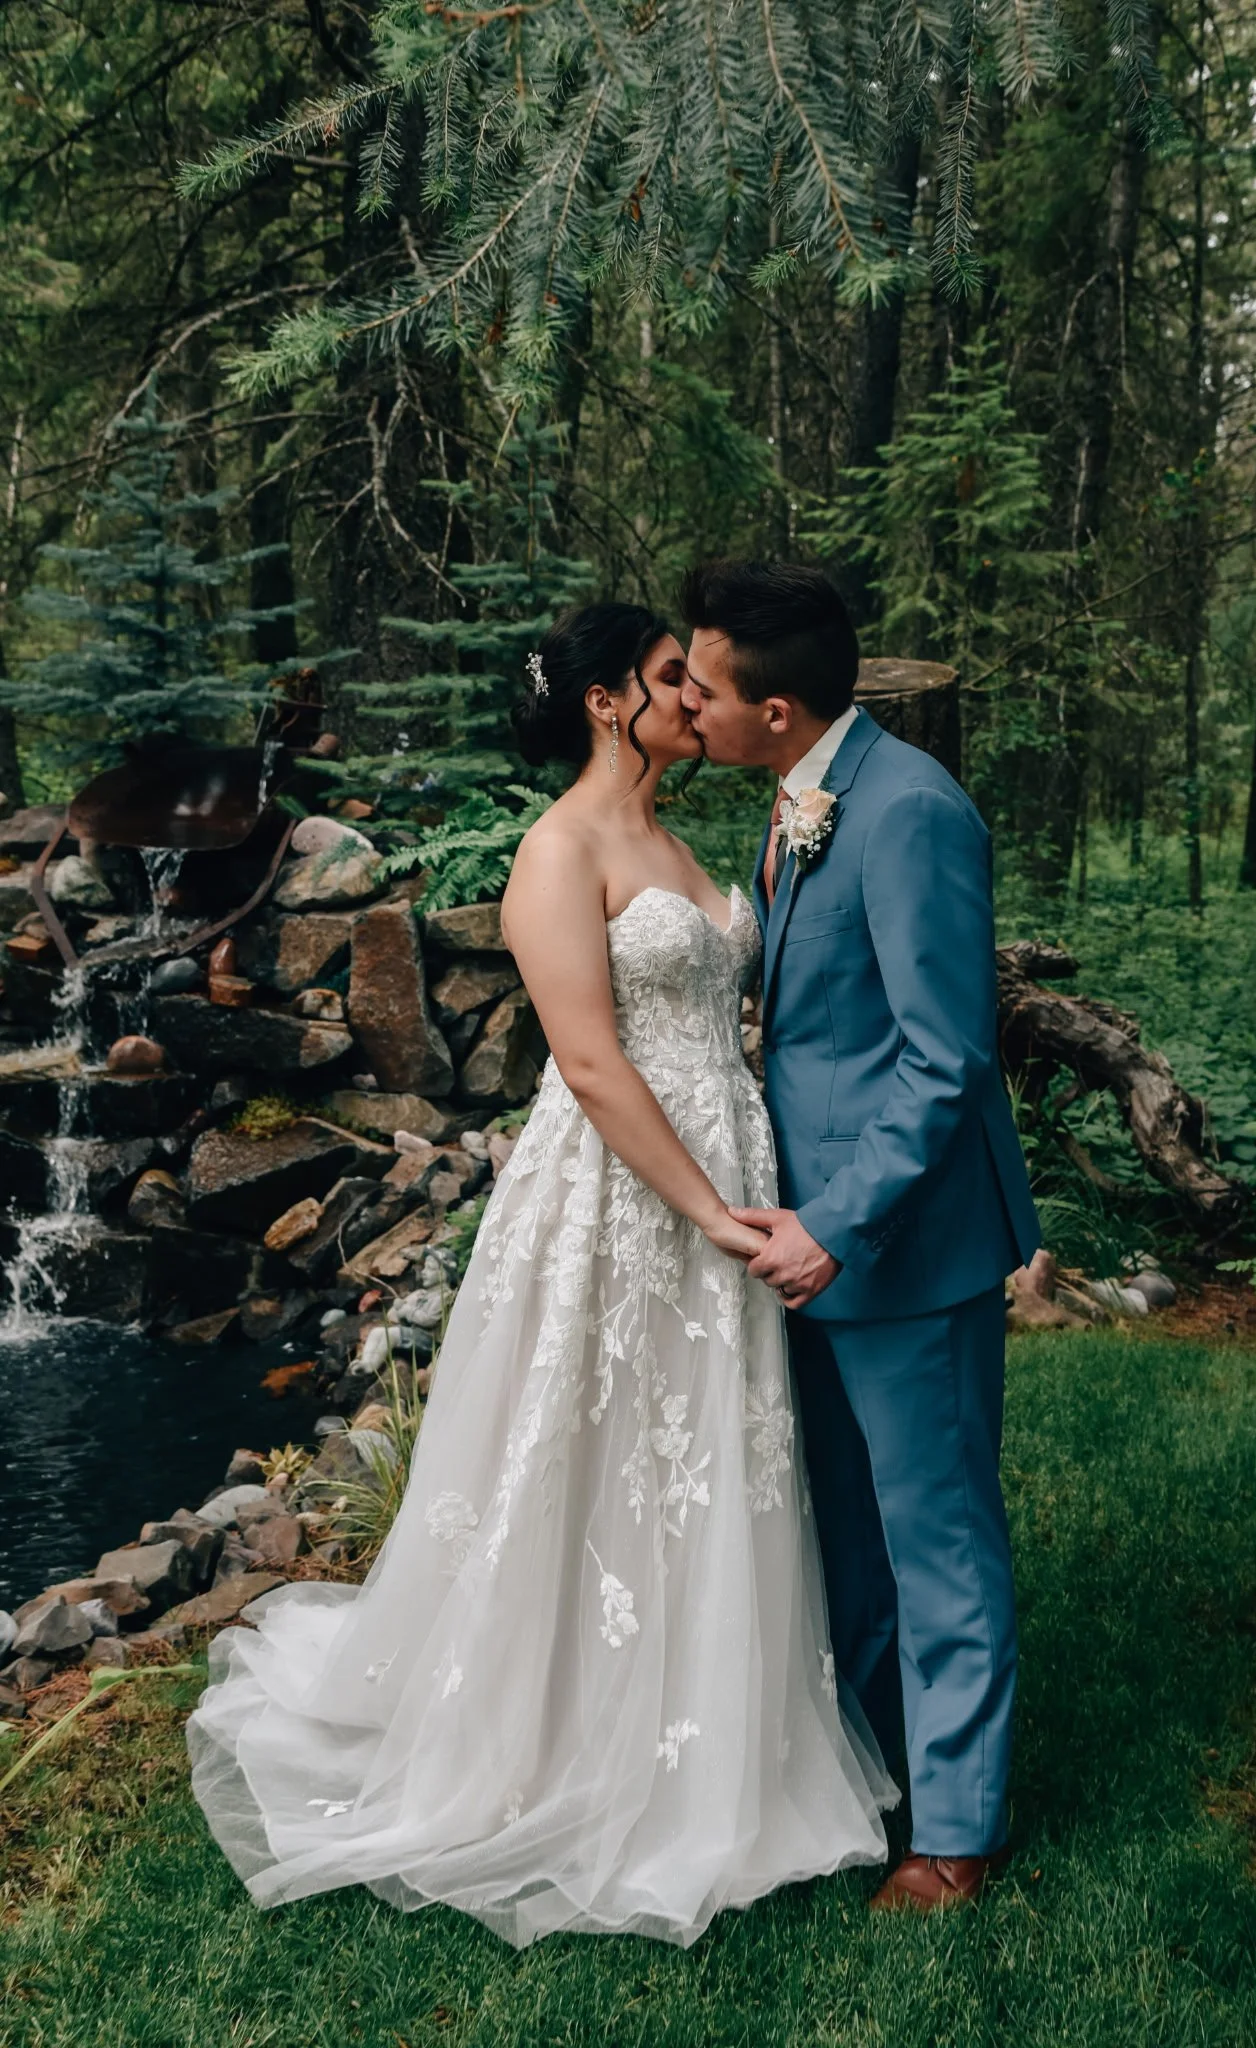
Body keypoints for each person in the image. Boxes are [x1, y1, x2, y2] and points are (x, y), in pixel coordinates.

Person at [186, 601, 894, 1949]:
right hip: (625, 1195)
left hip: (726, 1161)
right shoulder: (554, 850)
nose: (698, 696)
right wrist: (711, 1214)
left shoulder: (682, 841)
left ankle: (713, 1729)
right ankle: (553, 1742)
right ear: (603, 700)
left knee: (702, 1454)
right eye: (671, 677)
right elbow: (587, 1062)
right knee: (590, 1449)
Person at [678, 560, 1042, 1914]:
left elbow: (944, 1061)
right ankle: (872, 1769)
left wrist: (835, 1223)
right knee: (846, 1532)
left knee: (936, 1536)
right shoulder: (803, 797)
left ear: (775, 713)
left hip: (900, 1241)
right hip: (808, 1236)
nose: (687, 705)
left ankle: (954, 1835)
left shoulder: (907, 813)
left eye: (703, 688)